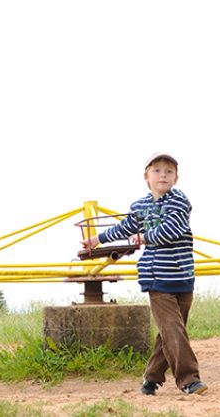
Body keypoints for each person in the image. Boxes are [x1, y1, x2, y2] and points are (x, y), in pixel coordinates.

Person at [81, 152, 208, 396]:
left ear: (176, 178)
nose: (163, 175)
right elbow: (125, 227)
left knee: (171, 331)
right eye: (157, 170)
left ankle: (151, 378)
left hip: (182, 277)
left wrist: (144, 237)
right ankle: (189, 380)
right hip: (157, 277)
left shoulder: (179, 202)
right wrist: (96, 239)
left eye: (169, 171)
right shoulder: (141, 206)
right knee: (172, 329)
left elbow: (171, 230)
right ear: (146, 177)